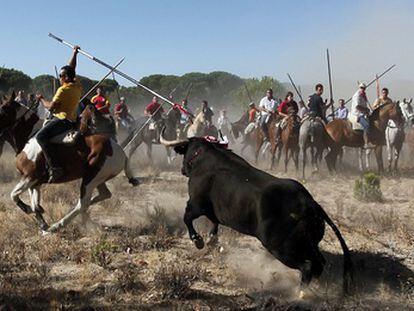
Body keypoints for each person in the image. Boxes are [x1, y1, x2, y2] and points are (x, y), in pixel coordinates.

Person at [36, 46, 82, 182]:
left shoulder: (62, 90)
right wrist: (74, 53)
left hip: (62, 119)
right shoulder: (77, 85)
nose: (59, 78)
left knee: (40, 136)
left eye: (61, 76)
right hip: (73, 120)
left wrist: (41, 99)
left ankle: (55, 168)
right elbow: (71, 67)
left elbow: (50, 107)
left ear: (66, 77)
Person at [350, 83, 371, 148]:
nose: (363, 89)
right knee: (367, 125)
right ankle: (366, 143)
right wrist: (366, 109)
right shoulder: (357, 95)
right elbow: (357, 106)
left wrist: (368, 110)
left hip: (363, 113)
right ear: (359, 88)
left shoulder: (363, 95)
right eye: (361, 88)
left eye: (364, 88)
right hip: (357, 114)